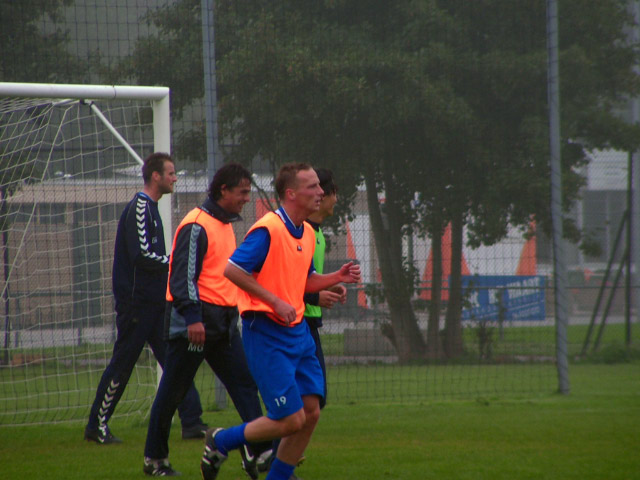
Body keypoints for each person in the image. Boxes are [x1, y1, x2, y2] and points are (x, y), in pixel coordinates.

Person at [200, 163, 361, 480]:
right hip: (266, 333)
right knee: (289, 419)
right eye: (312, 187)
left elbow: (304, 280)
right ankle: (220, 440)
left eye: (319, 186)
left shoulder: (308, 233)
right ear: (291, 194)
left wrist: (334, 277)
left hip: (298, 333)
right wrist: (274, 301)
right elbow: (233, 270)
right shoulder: (269, 229)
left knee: (311, 413)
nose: (320, 192)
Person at [142, 163, 271, 477]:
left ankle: (259, 452)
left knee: (244, 385)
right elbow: (182, 276)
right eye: (242, 192)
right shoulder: (196, 223)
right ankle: (155, 460)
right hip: (195, 327)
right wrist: (193, 319)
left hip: (224, 326)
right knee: (172, 392)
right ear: (223, 190)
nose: (245, 198)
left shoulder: (223, 224)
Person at [84, 152, 206, 445]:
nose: (175, 178)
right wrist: (175, 260)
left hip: (156, 304)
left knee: (178, 361)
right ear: (156, 176)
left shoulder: (152, 209)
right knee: (123, 364)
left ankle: (191, 422)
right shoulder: (140, 207)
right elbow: (141, 255)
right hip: (137, 305)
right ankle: (96, 426)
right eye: (172, 173)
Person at [264, 168, 344, 474]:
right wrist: (314, 298)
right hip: (293, 323)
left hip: (307, 322)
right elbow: (286, 281)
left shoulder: (316, 233)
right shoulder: (296, 231)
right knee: (300, 404)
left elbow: (308, 279)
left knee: (312, 402)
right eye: (328, 191)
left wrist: (328, 287)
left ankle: (280, 456)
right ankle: (275, 455)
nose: (331, 198)